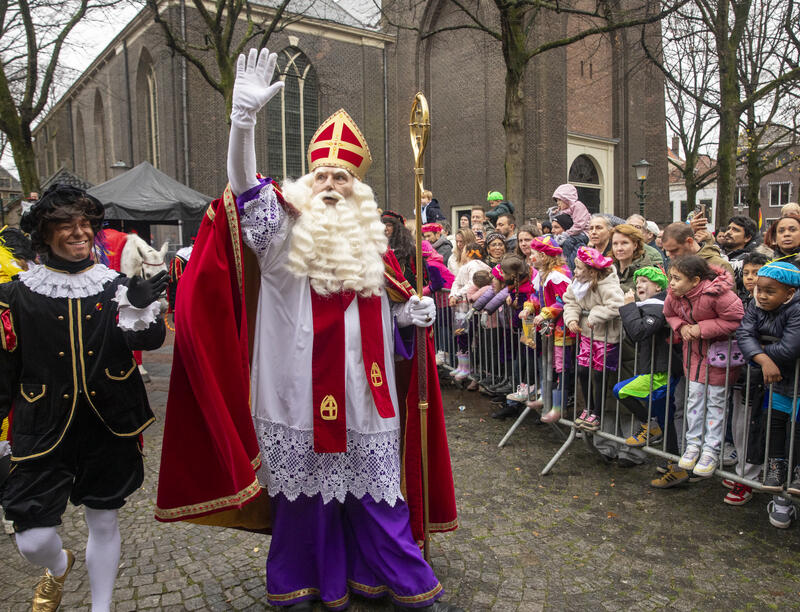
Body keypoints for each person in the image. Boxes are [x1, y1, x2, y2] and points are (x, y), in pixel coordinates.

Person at [156, 49, 460, 611]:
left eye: (341, 176)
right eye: (320, 172)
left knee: (377, 494)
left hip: (369, 398)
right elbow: (244, 184)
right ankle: (306, 582)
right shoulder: (279, 235)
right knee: (305, 501)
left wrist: (413, 316)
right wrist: (242, 121)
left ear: (358, 190)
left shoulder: (376, 249)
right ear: (304, 180)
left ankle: (397, 579)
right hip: (295, 394)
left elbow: (388, 315)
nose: (329, 182)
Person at [0, 184, 167, 612]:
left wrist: (140, 308)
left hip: (109, 419)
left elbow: (149, 338)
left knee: (104, 519)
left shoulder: (114, 285)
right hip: (41, 425)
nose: (79, 232)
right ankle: (57, 565)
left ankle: (102, 607)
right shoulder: (15, 293)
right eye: (65, 224)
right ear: (43, 233)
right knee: (32, 539)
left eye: (85, 223)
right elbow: (4, 368)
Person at [664, 256, 743, 478]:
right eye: (671, 277)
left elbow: (736, 318)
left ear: (695, 280)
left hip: (718, 359)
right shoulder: (675, 295)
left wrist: (701, 328)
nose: (671, 283)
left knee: (716, 404)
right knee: (694, 401)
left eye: (677, 279)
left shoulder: (718, 294)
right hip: (694, 358)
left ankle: (711, 451)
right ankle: (693, 445)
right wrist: (681, 327)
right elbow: (669, 313)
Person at [737, 261, 800, 528]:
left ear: (789, 294)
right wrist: (762, 359)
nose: (761, 295)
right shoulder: (755, 305)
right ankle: (776, 467)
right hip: (777, 383)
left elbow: (789, 348)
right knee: (774, 425)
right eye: (759, 290)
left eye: (769, 291)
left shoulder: (797, 310)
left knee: (797, 431)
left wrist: (759, 354)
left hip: (797, 383)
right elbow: (743, 333)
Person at [614, 267, 681, 465]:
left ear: (658, 285)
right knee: (665, 418)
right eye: (638, 282)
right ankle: (672, 464)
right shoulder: (648, 305)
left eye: (644, 281)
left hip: (662, 371)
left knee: (622, 391)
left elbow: (638, 331)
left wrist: (629, 307)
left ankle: (651, 428)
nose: (639, 285)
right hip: (656, 368)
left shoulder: (657, 305)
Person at [563, 247, 624, 433]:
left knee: (599, 375)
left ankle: (597, 412)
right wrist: (572, 319)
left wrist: (594, 315)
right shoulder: (577, 283)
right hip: (587, 336)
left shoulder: (607, 284)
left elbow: (617, 305)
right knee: (582, 370)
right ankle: (588, 408)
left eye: (579, 268)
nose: (575, 271)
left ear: (591, 271)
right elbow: (570, 302)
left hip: (606, 337)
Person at [520, 236, 573, 423]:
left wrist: (546, 313)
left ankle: (558, 407)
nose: (531, 257)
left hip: (561, 329)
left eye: (534, 254)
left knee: (561, 366)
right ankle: (545, 398)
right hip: (547, 328)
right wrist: (528, 307)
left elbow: (563, 300)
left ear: (544, 256)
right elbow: (535, 295)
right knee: (546, 361)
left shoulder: (558, 275)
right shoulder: (541, 274)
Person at [660, 222, 734, 276]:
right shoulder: (674, 265)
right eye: (667, 251)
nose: (670, 255)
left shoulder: (720, 265)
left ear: (689, 241)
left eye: (674, 250)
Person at [549, 184, 592, 269]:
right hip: (574, 233)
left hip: (584, 233)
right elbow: (559, 221)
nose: (558, 203)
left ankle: (566, 264)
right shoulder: (566, 209)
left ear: (566, 199)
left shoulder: (578, 206)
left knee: (568, 242)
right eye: (557, 200)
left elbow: (579, 225)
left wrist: (566, 234)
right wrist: (553, 214)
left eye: (559, 200)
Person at [611, 224, 651, 291]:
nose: (619, 248)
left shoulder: (646, 272)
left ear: (635, 245)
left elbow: (646, 298)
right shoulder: (608, 270)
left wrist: (616, 286)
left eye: (624, 243)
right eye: (615, 243)